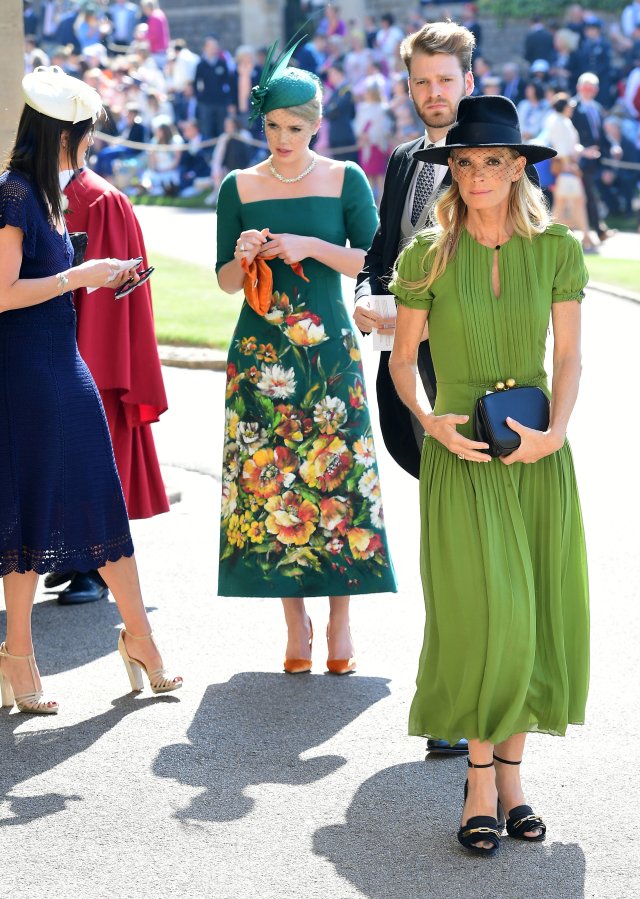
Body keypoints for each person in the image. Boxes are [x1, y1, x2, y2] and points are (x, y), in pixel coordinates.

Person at [388, 94, 589, 855]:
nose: (477, 176)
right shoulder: (426, 254)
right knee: (481, 619)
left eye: (493, 163)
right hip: (461, 457)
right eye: (465, 163)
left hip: (540, 457)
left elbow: (568, 357)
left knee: (532, 615)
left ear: (517, 170)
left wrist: (557, 432)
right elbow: (404, 363)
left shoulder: (557, 249)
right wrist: (431, 420)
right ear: (453, 170)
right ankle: (477, 780)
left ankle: (512, 779)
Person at [354, 21, 543, 756]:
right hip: (411, 386)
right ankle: (459, 691)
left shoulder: (502, 162)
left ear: (470, 78)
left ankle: (473, 703)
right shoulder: (406, 160)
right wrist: (372, 300)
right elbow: (381, 251)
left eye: (445, 80)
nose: (433, 94)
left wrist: (427, 319)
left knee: (478, 552)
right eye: (421, 82)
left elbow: (514, 285)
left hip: (482, 389)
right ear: (409, 87)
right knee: (449, 549)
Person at [0, 66, 182, 713]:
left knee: (95, 503)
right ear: (65, 133)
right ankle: (20, 654)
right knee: (23, 517)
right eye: (87, 135)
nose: (92, 146)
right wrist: (82, 274)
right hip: (27, 373)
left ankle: (138, 636)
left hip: (55, 365)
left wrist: (98, 278)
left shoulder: (41, 194)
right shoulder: (17, 194)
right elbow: (3, 292)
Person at [215, 48, 397, 674]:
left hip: (330, 356)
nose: (283, 138)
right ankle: (296, 621)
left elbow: (377, 260)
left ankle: (342, 622)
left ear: (315, 124)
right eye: (273, 126)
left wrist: (313, 246)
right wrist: (244, 256)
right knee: (273, 486)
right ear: (261, 124)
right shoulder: (237, 186)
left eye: (295, 127)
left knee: (339, 479)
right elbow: (224, 285)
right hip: (259, 355)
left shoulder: (346, 178)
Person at [44, 150, 170, 604]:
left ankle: (95, 562)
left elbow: (111, 297)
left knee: (93, 444)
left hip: (88, 346)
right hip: (35, 340)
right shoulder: (25, 192)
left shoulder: (101, 200)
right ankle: (69, 553)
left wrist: (88, 360)